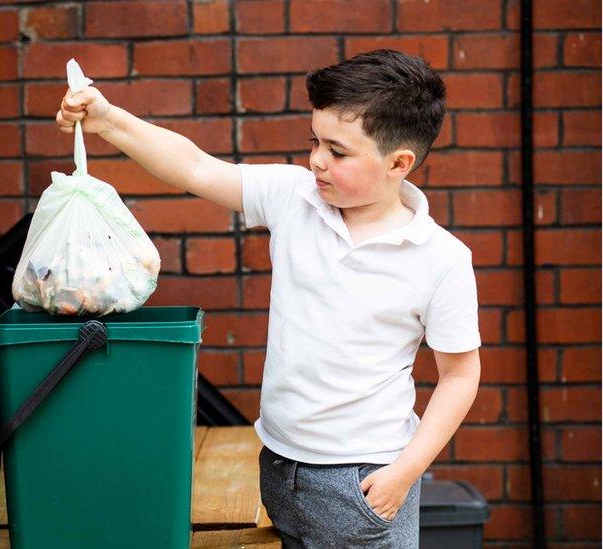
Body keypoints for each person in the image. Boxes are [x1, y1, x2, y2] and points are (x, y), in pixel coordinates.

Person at [54, 49, 481, 548]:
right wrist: (108, 119)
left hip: (365, 479)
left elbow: (460, 375)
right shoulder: (293, 197)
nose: (317, 159)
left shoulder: (442, 258)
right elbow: (193, 168)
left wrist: (403, 474)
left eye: (337, 152)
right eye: (315, 141)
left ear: (399, 163)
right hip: (279, 464)